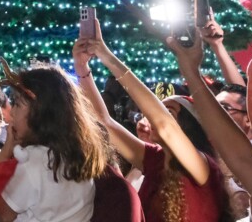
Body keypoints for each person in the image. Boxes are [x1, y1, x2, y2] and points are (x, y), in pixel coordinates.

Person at [76, 19, 231, 222]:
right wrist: (82, 69)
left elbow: (164, 126)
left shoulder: (203, 165)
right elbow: (104, 122)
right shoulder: (155, 159)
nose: (152, 117)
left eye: (169, 112)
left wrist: (107, 56)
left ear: (190, 126)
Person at [0, 63, 107, 222]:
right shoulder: (78, 156)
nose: (12, 112)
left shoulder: (34, 163)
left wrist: (5, 152)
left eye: (18, 104)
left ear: (41, 112)